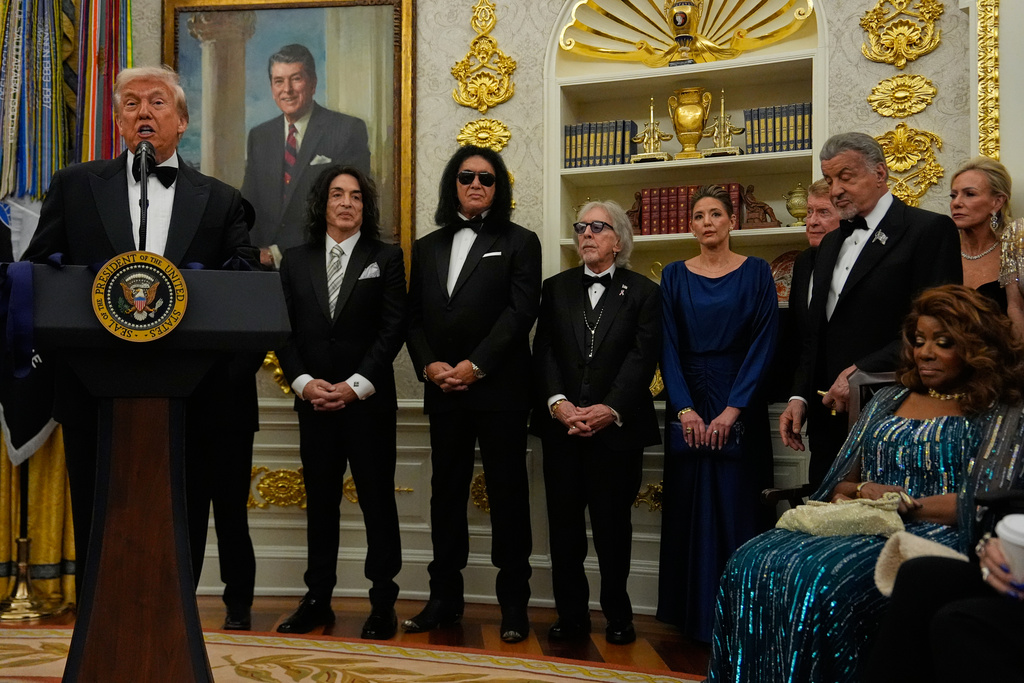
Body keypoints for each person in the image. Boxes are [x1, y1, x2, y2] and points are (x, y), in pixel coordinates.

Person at [21, 65, 258, 596]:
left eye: (156, 102)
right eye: (131, 103)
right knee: (100, 526)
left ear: (182, 120)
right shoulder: (76, 185)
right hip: (93, 390)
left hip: (191, 397)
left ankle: (176, 636)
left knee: (183, 526)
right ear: (118, 121)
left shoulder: (220, 199)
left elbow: (246, 290)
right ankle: (99, 638)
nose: (143, 112)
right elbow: (38, 274)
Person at [709, 284, 1024, 683]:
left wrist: (903, 504)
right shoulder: (889, 399)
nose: (925, 352)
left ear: (977, 346)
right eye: (919, 340)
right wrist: (863, 492)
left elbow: (982, 502)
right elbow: (840, 489)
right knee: (749, 561)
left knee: (821, 581)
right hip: (855, 520)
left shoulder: (1000, 409)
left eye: (943, 343)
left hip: (934, 534)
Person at [405, 145, 541, 644]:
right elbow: (413, 317)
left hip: (501, 392)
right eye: (467, 177)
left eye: (487, 178)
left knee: (508, 497)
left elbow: (519, 314)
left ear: (498, 187)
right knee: (446, 497)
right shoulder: (427, 246)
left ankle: (513, 606)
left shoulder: (522, 242)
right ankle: (444, 599)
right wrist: (430, 365)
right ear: (453, 184)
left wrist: (475, 365)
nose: (477, 184)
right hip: (444, 392)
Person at [779, 132, 962, 490]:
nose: (835, 190)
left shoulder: (928, 230)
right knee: (827, 516)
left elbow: (940, 327)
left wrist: (863, 370)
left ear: (880, 174)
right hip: (827, 416)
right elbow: (815, 333)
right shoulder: (831, 241)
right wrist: (799, 396)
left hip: (896, 411)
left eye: (846, 177)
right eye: (830, 180)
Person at [274, 165, 406, 639]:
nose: (347, 202)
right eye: (337, 194)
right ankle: (317, 600)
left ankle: (382, 602)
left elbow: (393, 329)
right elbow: (283, 331)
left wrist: (355, 386)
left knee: (377, 503)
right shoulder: (294, 260)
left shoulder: (386, 258)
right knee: (321, 505)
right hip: (314, 405)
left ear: (364, 207)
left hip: (367, 405)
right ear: (323, 204)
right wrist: (304, 382)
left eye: (355, 196)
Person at [531, 200, 661, 645]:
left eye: (597, 227)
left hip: (617, 434)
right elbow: (544, 351)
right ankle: (571, 617)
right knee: (564, 530)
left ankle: (618, 615)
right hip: (561, 429)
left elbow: (642, 360)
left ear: (618, 241)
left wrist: (609, 409)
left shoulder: (643, 292)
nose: (586, 233)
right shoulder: (555, 288)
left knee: (612, 530)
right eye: (581, 226)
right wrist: (558, 402)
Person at [656, 184, 779, 643]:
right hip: (688, 400)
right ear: (690, 226)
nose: (707, 222)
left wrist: (733, 409)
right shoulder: (672, 275)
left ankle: (743, 617)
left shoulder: (758, 272)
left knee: (739, 505)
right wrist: (685, 408)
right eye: (698, 216)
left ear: (732, 222)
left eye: (715, 214)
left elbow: (765, 343)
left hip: (738, 399)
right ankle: (692, 618)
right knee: (690, 508)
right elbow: (666, 345)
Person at [241, 44, 372, 268]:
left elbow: (344, 207)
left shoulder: (347, 130)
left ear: (313, 83)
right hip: (261, 270)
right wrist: (248, 252)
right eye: (279, 81)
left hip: (320, 264)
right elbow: (249, 206)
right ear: (272, 87)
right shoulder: (259, 136)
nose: (287, 90)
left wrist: (278, 253)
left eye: (296, 79)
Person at [771, 179, 841, 399]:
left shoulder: (859, 263)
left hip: (855, 393)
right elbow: (799, 337)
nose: (812, 221)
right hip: (813, 395)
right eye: (809, 212)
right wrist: (797, 396)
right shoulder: (803, 262)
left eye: (823, 212)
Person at [950, 156, 1010, 311]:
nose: (956, 203)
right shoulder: (939, 251)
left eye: (970, 194)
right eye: (953, 195)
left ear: (997, 202)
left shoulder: (1014, 254)